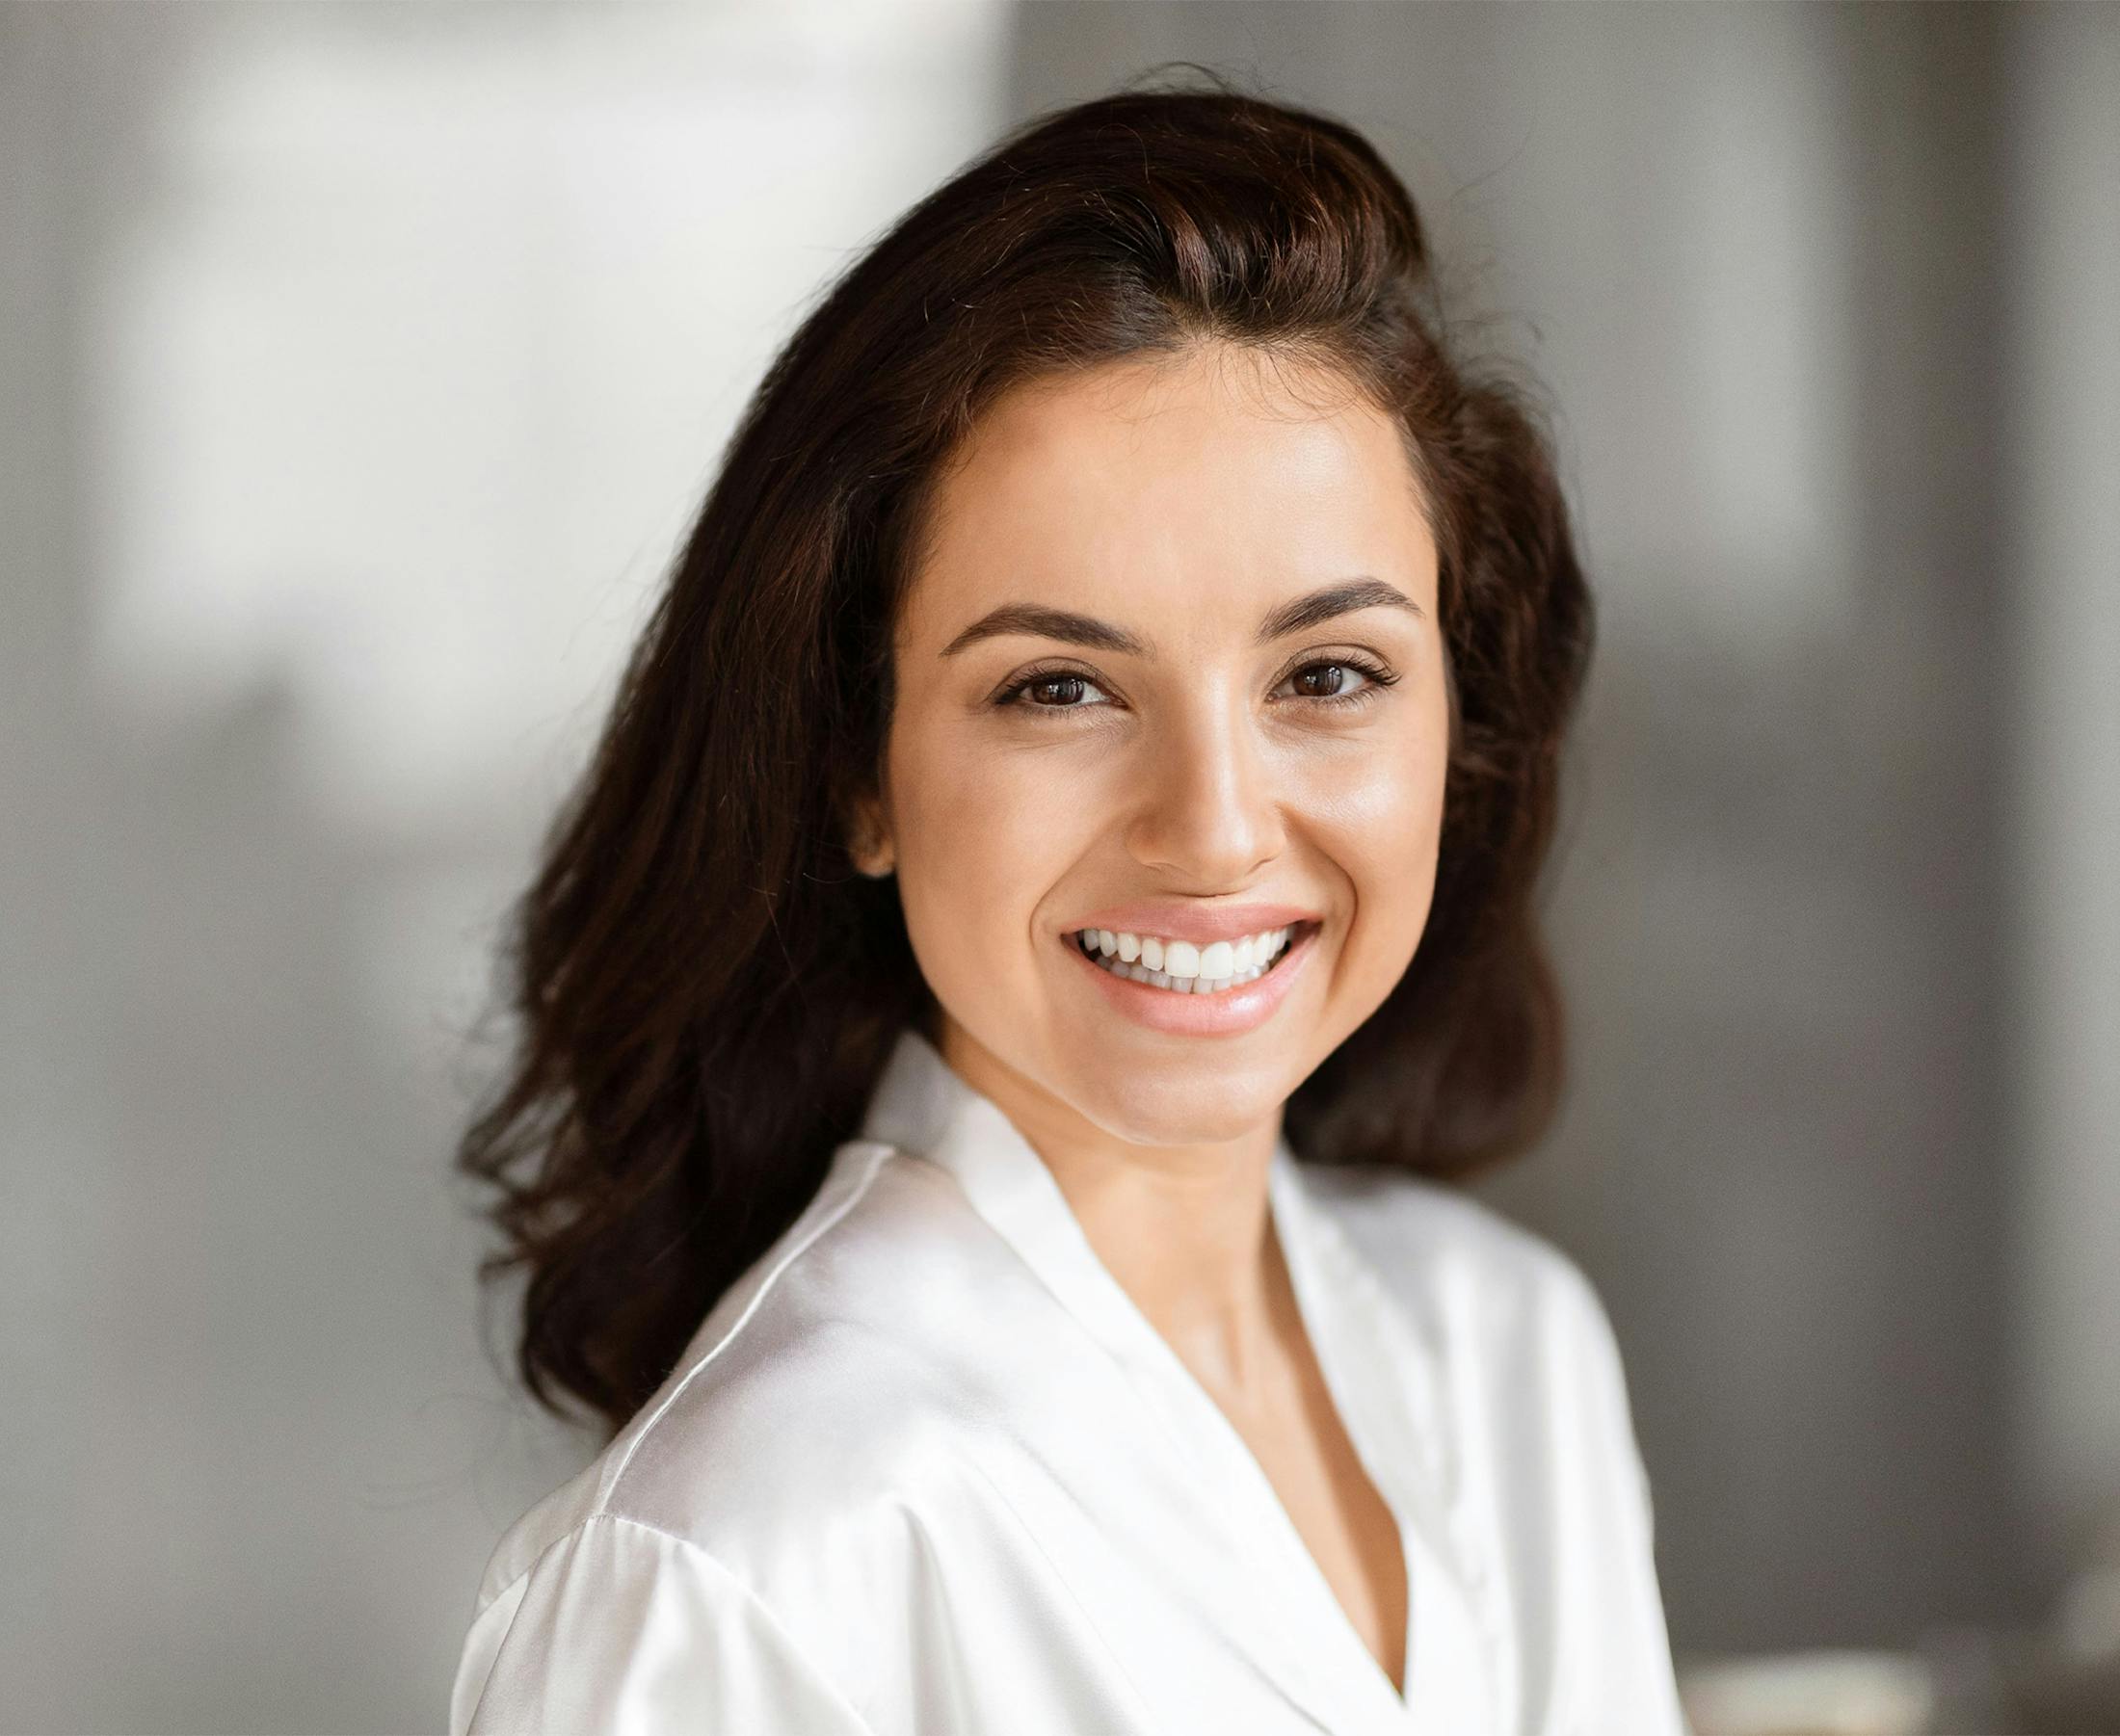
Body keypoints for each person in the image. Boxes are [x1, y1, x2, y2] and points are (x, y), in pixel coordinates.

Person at [447, 74, 1689, 1736]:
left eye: (1328, 672)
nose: (1216, 827)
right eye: (1057, 689)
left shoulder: (1519, 1354)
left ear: (1460, 723)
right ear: (855, 771)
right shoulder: (734, 1571)